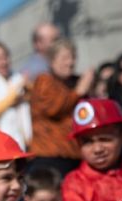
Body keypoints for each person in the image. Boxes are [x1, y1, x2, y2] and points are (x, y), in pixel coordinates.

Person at [29, 38, 94, 175]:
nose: (70, 62)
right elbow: (54, 108)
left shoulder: (73, 83)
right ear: (52, 61)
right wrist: (80, 90)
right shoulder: (44, 81)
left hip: (75, 155)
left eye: (73, 57)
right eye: (65, 58)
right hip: (50, 155)